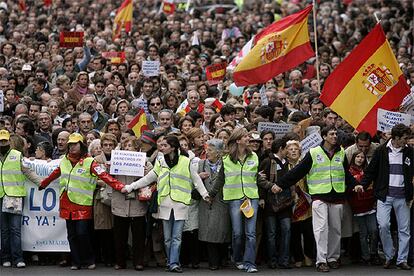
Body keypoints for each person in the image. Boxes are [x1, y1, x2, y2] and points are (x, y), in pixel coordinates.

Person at [276, 125, 362, 272]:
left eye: (335, 134)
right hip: (319, 196)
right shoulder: (314, 152)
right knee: (321, 228)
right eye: (331, 134)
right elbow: (298, 171)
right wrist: (280, 184)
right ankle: (321, 260)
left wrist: (355, 184)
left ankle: (333, 258)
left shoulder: (341, 152)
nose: (335, 136)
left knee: (335, 229)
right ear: (324, 137)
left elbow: (346, 173)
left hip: (337, 196)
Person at [121, 135, 209, 273]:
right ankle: (171, 261)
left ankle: (173, 263)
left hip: (181, 203)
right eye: (161, 145)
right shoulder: (160, 161)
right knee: (168, 238)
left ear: (173, 147)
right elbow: (148, 178)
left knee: (177, 237)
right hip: (165, 204)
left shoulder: (186, 161)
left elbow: (196, 179)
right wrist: (131, 186)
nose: (161, 147)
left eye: (165, 145)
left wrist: (205, 194)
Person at [39, 133, 126, 270]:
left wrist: (120, 187)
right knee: (72, 235)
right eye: (70, 145)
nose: (72, 147)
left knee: (82, 233)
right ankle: (76, 261)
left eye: (75, 144)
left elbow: (105, 177)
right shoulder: (64, 160)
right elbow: (54, 174)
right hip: (66, 202)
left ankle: (89, 259)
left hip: (82, 204)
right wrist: (43, 184)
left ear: (82, 145)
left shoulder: (90, 162)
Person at [209, 128, 280, 273]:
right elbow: (220, 179)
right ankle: (238, 258)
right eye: (245, 136)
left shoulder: (253, 156)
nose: (249, 139)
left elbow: (257, 178)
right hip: (234, 198)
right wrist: (211, 194)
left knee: (251, 233)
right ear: (238, 140)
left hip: (250, 197)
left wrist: (270, 186)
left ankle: (250, 263)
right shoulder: (226, 158)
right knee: (237, 233)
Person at [360, 124, 413, 270]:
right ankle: (389, 255)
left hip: (403, 197)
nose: (407, 141)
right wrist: (362, 185)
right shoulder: (381, 151)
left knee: (404, 229)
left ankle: (402, 259)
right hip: (385, 196)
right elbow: (370, 171)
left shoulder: (410, 152)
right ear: (395, 138)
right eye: (404, 138)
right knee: (383, 226)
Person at [0, 130, 43, 268]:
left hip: (15, 196)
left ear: (9, 142)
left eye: (5, 141)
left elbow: (27, 171)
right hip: (1, 196)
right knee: (4, 230)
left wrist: (42, 182)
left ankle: (18, 258)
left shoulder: (17, 155)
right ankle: (5, 257)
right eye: (0, 141)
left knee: (15, 229)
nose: (3, 143)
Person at [111, 136, 152, 271]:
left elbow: (152, 177)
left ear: (137, 148)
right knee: (119, 236)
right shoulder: (116, 161)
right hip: (120, 202)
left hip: (137, 204)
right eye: (125, 146)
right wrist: (109, 167)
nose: (127, 149)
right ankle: (120, 262)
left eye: (130, 146)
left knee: (139, 237)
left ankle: (138, 262)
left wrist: (145, 169)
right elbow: (107, 177)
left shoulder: (145, 162)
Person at [197, 139, 231, 270]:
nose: (207, 152)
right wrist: (199, 176)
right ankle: (213, 262)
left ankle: (223, 258)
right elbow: (193, 180)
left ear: (218, 153)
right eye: (207, 149)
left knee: (222, 231)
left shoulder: (226, 164)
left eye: (210, 150)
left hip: (221, 201)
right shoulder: (201, 164)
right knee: (208, 231)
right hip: (205, 202)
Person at [347, 150, 381, 266]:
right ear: (353, 158)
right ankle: (365, 257)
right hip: (358, 207)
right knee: (363, 234)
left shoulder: (368, 171)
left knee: (374, 230)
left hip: (370, 205)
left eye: (362, 157)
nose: (360, 159)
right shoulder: (349, 172)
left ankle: (373, 253)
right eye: (357, 156)